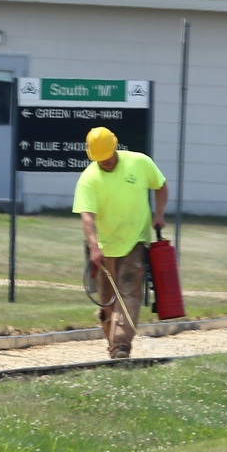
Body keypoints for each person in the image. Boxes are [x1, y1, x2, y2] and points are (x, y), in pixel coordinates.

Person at [72, 127, 168, 359]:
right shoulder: (89, 179)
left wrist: (159, 215)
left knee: (129, 293)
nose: (104, 162)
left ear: (115, 147)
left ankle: (121, 346)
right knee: (107, 303)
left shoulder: (139, 163)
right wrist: (94, 247)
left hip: (136, 241)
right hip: (104, 249)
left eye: (107, 156)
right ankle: (114, 343)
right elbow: (87, 216)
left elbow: (161, 185)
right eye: (99, 159)